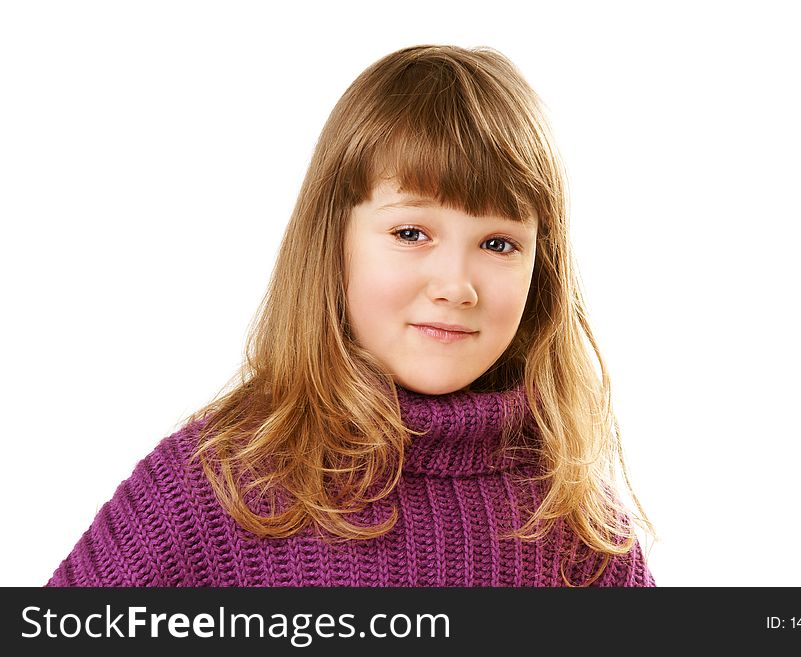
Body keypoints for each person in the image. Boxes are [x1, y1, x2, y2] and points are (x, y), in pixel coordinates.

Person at [47, 44, 657, 587]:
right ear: (332, 240)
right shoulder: (217, 486)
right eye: (412, 231)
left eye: (498, 244)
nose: (456, 285)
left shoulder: (574, 519)